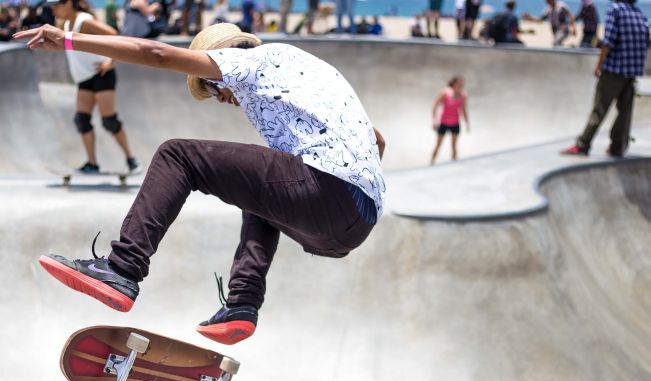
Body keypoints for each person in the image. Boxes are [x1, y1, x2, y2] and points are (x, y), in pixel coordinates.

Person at [16, 22, 386, 346]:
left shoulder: (251, 60)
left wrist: (67, 40)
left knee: (178, 155)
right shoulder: (305, 74)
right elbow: (377, 141)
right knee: (258, 189)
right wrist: (342, 197)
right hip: (355, 224)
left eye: (210, 86)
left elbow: (156, 53)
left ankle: (122, 268)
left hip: (322, 189)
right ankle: (243, 302)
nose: (221, 98)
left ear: (221, 60)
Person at [44, 0, 139, 174]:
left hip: (101, 74)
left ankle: (131, 160)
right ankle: (92, 163)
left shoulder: (84, 21)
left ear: (69, 3)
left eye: (57, 5)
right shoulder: (65, 24)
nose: (53, 9)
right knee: (82, 120)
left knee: (109, 121)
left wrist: (111, 62)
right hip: (84, 78)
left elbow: (115, 35)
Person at [562, 0, 649, 157]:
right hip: (632, 71)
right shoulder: (639, 13)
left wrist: (599, 65)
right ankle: (618, 147)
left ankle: (583, 145)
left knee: (599, 109)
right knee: (625, 112)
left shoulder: (615, 10)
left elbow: (608, 41)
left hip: (614, 69)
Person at [431, 76, 469, 163]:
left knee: (454, 145)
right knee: (438, 145)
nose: (460, 86)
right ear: (453, 84)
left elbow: (464, 110)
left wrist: (467, 123)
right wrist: (434, 121)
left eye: (462, 85)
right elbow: (435, 105)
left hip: (455, 123)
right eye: (459, 84)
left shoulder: (463, 95)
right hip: (443, 122)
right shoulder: (445, 93)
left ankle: (454, 163)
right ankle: (432, 162)